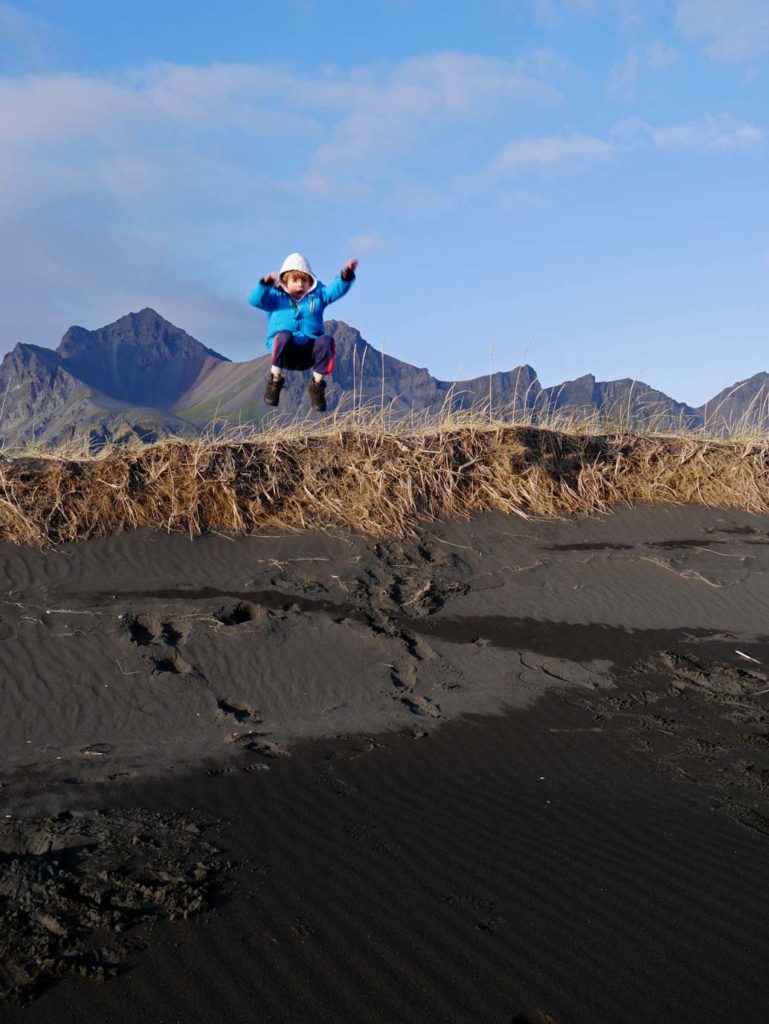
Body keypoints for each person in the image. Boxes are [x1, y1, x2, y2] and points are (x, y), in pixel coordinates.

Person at [248, 252, 358, 412]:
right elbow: (255, 300)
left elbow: (334, 291)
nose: (300, 284)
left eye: (304, 280)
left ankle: (317, 385)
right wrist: (264, 286)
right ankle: (275, 380)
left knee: (326, 341)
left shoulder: (318, 295)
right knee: (284, 336)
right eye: (295, 280)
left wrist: (346, 276)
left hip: (308, 353)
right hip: (285, 352)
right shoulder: (274, 297)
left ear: (310, 281)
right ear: (285, 280)